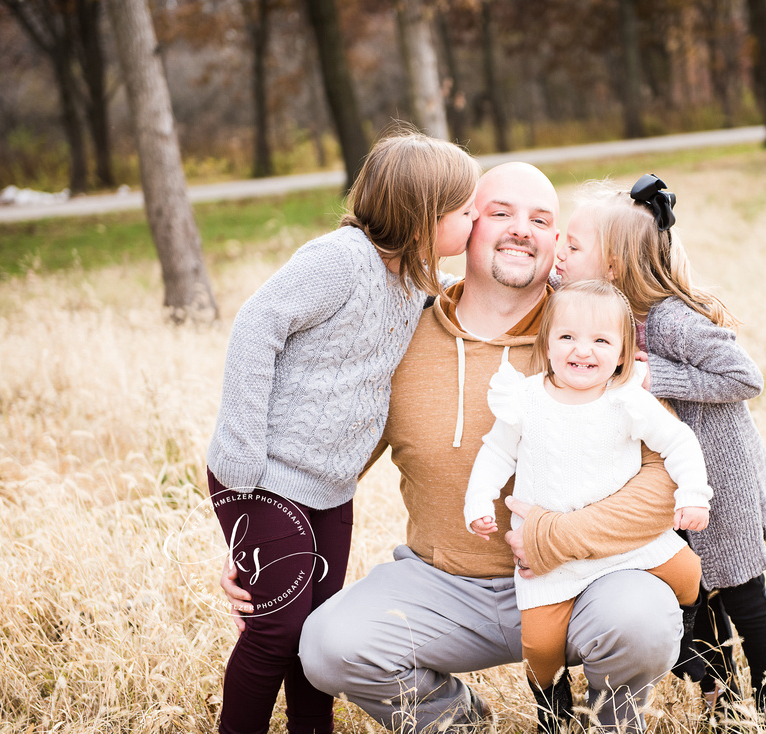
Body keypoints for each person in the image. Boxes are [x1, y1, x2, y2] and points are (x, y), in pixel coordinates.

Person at [225, 162, 694, 733]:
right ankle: (461, 722)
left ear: (556, 244)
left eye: (542, 220)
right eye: (501, 213)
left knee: (643, 620)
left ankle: (608, 723)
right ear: (463, 225)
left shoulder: (591, 332)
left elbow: (663, 474)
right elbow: (330, 455)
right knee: (329, 646)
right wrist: (267, 540)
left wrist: (557, 537)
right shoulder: (403, 331)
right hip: (444, 585)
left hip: (585, 576)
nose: (522, 229)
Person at [205, 131, 480, 734]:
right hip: (265, 476)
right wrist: (244, 459)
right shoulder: (341, 260)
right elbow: (256, 325)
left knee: (315, 635)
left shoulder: (413, 283)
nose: (477, 218)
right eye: (466, 210)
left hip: (330, 488)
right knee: (274, 631)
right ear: (424, 217)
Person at [554, 174, 766, 720]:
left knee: (741, 594)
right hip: (672, 482)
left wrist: (655, 374)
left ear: (611, 264)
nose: (559, 253)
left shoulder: (669, 320)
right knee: (692, 596)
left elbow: (745, 376)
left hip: (722, 479)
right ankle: (723, 700)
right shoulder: (606, 314)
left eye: (572, 244)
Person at [463, 278, 711, 730]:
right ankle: (551, 704)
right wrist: (479, 499)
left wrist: (694, 494)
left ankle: (689, 639)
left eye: (601, 340)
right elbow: (496, 452)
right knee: (539, 646)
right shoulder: (527, 399)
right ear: (548, 343)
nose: (583, 351)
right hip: (548, 557)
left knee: (689, 571)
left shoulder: (627, 400)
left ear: (621, 353)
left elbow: (679, 443)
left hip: (623, 545)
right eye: (568, 337)